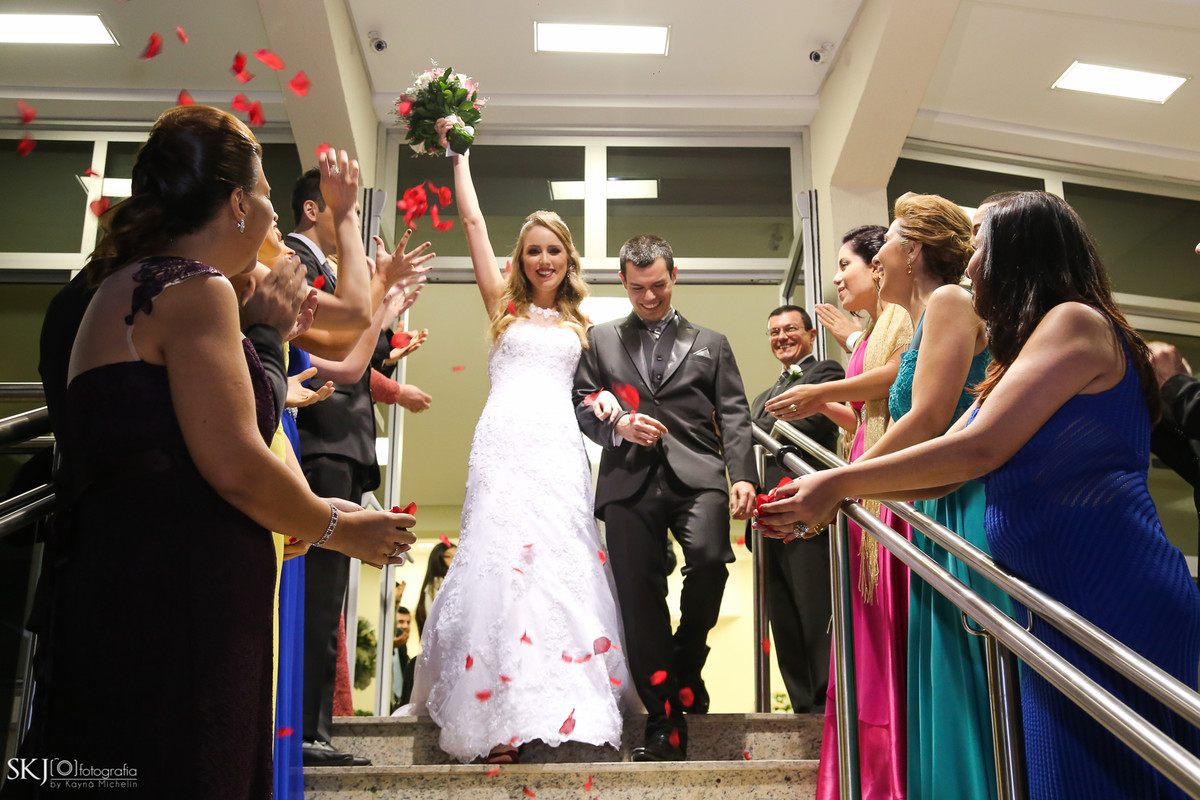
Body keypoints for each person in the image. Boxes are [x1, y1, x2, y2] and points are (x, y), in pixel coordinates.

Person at [8, 105, 415, 800]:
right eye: (263, 196)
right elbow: (234, 464)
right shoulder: (191, 291)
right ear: (237, 203)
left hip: (134, 579)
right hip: (178, 598)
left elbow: (177, 444)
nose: (270, 216)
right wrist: (338, 529)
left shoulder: (127, 284)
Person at [759, 191, 1200, 800]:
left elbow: (977, 448)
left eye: (982, 246)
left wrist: (836, 481)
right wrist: (832, 494)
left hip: (1111, 590)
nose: (969, 264)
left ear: (1020, 253)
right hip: (1052, 604)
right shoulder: (1028, 346)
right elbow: (946, 469)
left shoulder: (1075, 321)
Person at [402, 141, 630, 765]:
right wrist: (459, 160)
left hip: (557, 446)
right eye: (534, 250)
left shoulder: (585, 327)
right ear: (520, 260)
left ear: (568, 259)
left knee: (558, 561)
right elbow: (473, 223)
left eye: (554, 249)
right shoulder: (503, 310)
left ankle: (561, 698)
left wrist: (610, 406)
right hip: (502, 442)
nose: (544, 259)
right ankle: (492, 714)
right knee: (501, 561)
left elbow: (596, 394)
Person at [574, 233, 757, 762]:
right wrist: (617, 426)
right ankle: (665, 723)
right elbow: (584, 402)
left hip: (698, 475)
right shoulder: (600, 338)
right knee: (639, 597)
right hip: (627, 481)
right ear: (622, 283)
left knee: (709, 561)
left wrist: (741, 474)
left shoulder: (712, 342)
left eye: (658, 286)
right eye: (638, 289)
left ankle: (685, 658)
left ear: (674, 275)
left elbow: (735, 414)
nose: (649, 297)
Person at [860, 192, 1009, 800]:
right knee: (941, 667)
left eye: (888, 242)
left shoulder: (952, 300)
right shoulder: (932, 314)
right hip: (932, 501)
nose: (877, 259)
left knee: (960, 672)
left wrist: (843, 482)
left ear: (915, 251)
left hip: (960, 503)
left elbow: (927, 419)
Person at [287, 164, 434, 768]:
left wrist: (388, 304)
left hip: (340, 443)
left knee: (327, 601)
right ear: (311, 210)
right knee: (316, 598)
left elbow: (355, 353)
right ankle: (301, 734)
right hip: (318, 440)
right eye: (338, 205)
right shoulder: (294, 264)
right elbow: (341, 358)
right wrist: (382, 297)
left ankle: (314, 728)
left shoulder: (322, 271)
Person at [767, 225, 912, 799]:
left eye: (845, 265)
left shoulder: (896, 321)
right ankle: (868, 766)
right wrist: (826, 402)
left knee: (879, 628)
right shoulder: (876, 327)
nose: (836, 277)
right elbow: (866, 420)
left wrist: (814, 394)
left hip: (885, 487)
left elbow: (903, 380)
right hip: (861, 487)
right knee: (859, 629)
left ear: (877, 266)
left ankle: (892, 765)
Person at [748, 305, 843, 713]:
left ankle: (826, 704)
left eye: (790, 329)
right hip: (769, 517)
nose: (782, 337)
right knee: (782, 616)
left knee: (814, 606)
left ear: (809, 334)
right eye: (774, 332)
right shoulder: (760, 396)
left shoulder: (826, 375)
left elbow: (802, 428)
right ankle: (802, 705)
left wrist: (742, 428)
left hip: (808, 513)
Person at [414, 540, 455, 636]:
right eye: (448, 556)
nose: (454, 560)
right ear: (438, 559)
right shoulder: (437, 585)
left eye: (457, 556)